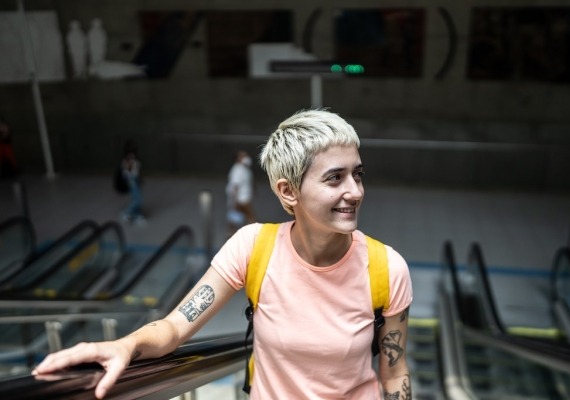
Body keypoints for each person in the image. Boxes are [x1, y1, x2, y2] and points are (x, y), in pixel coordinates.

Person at [32, 109, 413, 399]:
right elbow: (174, 328)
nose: (356, 191)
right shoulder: (253, 248)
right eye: (335, 177)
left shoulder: (385, 267)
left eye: (357, 174)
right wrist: (123, 345)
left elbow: (394, 373)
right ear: (288, 192)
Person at [226, 150, 256, 235]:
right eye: (243, 156)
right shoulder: (237, 170)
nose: (246, 158)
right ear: (238, 159)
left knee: (235, 216)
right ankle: (253, 232)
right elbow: (235, 186)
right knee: (249, 215)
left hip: (244, 196)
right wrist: (235, 201)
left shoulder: (245, 168)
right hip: (241, 198)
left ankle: (231, 232)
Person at [119, 140, 145, 225]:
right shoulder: (130, 158)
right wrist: (133, 179)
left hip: (134, 180)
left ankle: (137, 216)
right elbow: (129, 172)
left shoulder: (130, 157)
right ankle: (127, 212)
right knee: (137, 200)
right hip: (132, 180)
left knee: (136, 198)